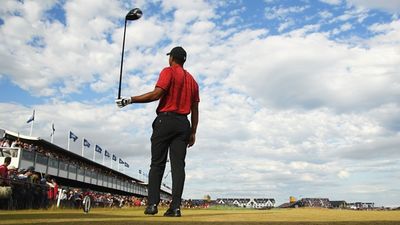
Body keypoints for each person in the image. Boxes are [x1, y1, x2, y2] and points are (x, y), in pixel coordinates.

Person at [116, 46, 200, 217]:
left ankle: (152, 205)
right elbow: (195, 109)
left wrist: (130, 100)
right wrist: (193, 132)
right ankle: (175, 208)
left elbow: (156, 94)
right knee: (178, 167)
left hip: (165, 120)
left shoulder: (168, 71)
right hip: (184, 123)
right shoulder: (193, 81)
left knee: (157, 164)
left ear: (172, 58)